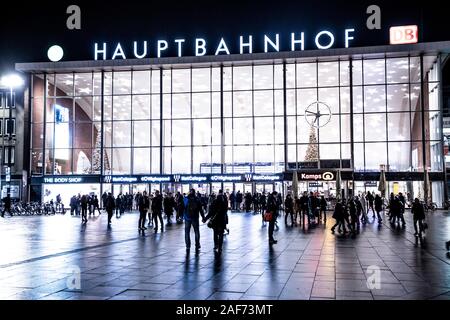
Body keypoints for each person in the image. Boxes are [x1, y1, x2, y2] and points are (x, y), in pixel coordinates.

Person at [203, 190, 228, 254]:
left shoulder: (214, 203)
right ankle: (220, 247)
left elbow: (210, 213)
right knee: (221, 234)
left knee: (215, 234)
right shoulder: (224, 204)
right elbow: (225, 213)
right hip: (222, 221)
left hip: (215, 221)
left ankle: (216, 245)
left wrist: (205, 219)